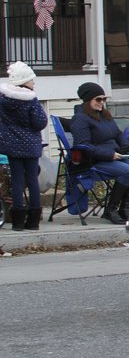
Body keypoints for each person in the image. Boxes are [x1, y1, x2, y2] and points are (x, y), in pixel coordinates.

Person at [69, 83, 129, 224]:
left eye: (104, 99)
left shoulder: (104, 115)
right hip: (94, 160)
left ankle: (124, 208)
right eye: (98, 99)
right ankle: (110, 210)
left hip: (114, 156)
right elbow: (84, 145)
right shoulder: (80, 119)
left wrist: (125, 146)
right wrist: (109, 155)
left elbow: (118, 134)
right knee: (128, 171)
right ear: (88, 100)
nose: (102, 103)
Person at [0, 62, 48, 231]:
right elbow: (40, 122)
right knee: (32, 180)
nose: (33, 83)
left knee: (17, 181)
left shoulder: (3, 99)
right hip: (31, 145)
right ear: (24, 81)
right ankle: (33, 221)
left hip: (12, 145)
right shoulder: (31, 100)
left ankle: (18, 222)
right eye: (32, 80)